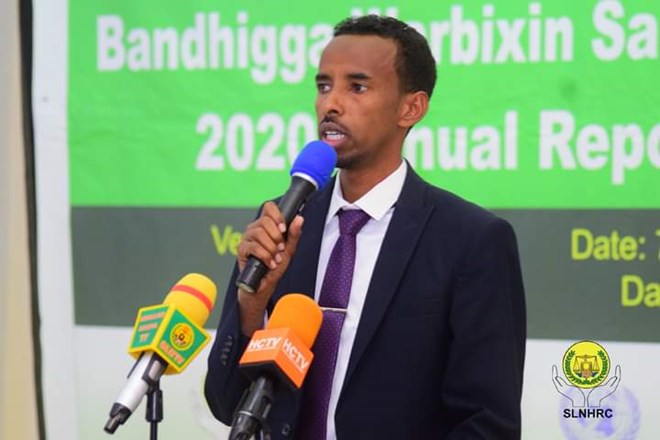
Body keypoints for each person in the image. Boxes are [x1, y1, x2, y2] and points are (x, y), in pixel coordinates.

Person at [205, 14, 526, 440]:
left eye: (356, 87)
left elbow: (488, 424)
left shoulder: (471, 241)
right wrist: (252, 307)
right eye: (324, 86)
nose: (330, 104)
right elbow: (226, 404)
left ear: (411, 108)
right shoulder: (283, 224)